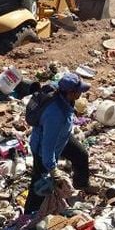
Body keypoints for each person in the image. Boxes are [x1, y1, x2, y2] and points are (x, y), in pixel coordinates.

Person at [25, 72, 91, 214]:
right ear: (71, 93)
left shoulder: (62, 95)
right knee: (40, 184)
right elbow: (47, 146)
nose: (82, 93)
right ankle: (29, 214)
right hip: (43, 150)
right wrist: (53, 169)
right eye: (79, 91)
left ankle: (80, 188)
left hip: (62, 138)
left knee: (81, 155)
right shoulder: (56, 115)